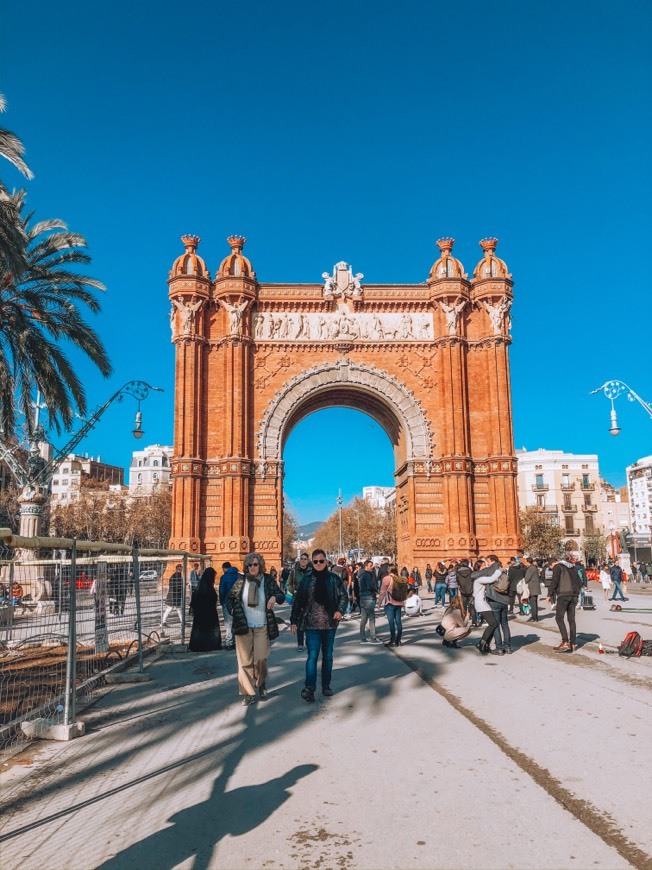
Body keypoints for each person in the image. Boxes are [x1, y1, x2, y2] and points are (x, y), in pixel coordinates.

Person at [226, 552, 285, 706]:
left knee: (260, 659)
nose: (252, 567)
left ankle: (261, 681)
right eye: (250, 564)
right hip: (244, 626)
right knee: (244, 661)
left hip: (262, 625)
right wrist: (233, 611)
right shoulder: (241, 581)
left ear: (260, 565)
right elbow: (230, 599)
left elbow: (280, 595)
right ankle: (248, 693)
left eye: (255, 564)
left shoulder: (268, 580)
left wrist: (274, 597)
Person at [290, 548, 348, 701]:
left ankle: (326, 685)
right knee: (312, 656)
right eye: (315, 561)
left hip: (329, 625)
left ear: (326, 561)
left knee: (328, 656)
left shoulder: (334, 579)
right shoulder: (307, 580)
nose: (318, 564)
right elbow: (298, 601)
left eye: (321, 561)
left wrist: (340, 611)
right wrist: (293, 621)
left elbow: (343, 596)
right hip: (311, 626)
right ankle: (309, 687)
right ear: (312, 562)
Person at [547, 550, 582, 652]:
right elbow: (580, 583)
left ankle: (565, 641)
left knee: (559, 618)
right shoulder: (573, 568)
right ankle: (573, 643)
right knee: (571, 619)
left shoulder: (558, 567)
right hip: (574, 595)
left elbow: (554, 581)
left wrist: (549, 594)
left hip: (563, 595)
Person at [483, 554, 514, 655]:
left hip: (494, 600)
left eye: (488, 561)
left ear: (492, 560)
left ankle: (499, 648)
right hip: (504, 600)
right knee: (505, 624)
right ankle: (508, 647)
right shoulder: (503, 570)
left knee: (496, 625)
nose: (487, 563)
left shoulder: (490, 570)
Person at [188, 567, 223, 652]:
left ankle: (199, 645)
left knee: (200, 630)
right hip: (210, 613)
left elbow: (194, 601)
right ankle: (211, 644)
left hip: (200, 613)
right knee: (210, 630)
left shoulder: (200, 586)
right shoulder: (208, 588)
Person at [472, 559, 500, 654]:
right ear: (479, 568)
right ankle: (482, 642)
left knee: (493, 624)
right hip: (481, 604)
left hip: (483, 603)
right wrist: (499, 571)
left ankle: (485, 644)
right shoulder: (479, 579)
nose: (486, 566)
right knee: (493, 624)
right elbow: (492, 579)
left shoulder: (480, 577)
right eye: (483, 565)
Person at [287, 553, 313, 650]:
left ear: (307, 560)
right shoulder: (294, 572)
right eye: (301, 559)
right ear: (299, 560)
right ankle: (300, 643)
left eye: (305, 559)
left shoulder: (312, 571)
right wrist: (294, 591)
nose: (303, 560)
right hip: (297, 599)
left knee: (309, 620)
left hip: (309, 599)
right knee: (298, 621)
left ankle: (308, 640)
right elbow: (288, 584)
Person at [379, 563, 404, 647]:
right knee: (399, 622)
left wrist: (379, 603)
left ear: (388, 569)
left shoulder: (386, 578)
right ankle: (399, 640)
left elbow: (382, 592)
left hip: (390, 602)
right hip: (399, 602)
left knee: (391, 622)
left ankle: (392, 640)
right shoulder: (400, 578)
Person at [358, 559, 381, 643]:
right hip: (368, 597)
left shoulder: (361, 574)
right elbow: (370, 586)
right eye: (370, 566)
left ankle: (362, 638)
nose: (372, 568)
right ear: (366, 566)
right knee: (371, 618)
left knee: (363, 619)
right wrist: (375, 590)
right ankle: (373, 638)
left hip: (362, 597)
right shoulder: (367, 575)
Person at [219, 561, 240, 649]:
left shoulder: (224, 577)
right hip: (239, 602)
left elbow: (222, 590)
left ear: (224, 568)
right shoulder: (239, 576)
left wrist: (222, 601)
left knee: (228, 623)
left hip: (227, 602)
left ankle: (229, 642)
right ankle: (237, 642)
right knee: (238, 622)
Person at [455, 558, 475, 625]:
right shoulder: (471, 571)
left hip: (463, 590)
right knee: (471, 606)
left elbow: (457, 581)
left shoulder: (458, 572)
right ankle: (474, 621)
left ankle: (464, 621)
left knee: (463, 606)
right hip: (471, 590)